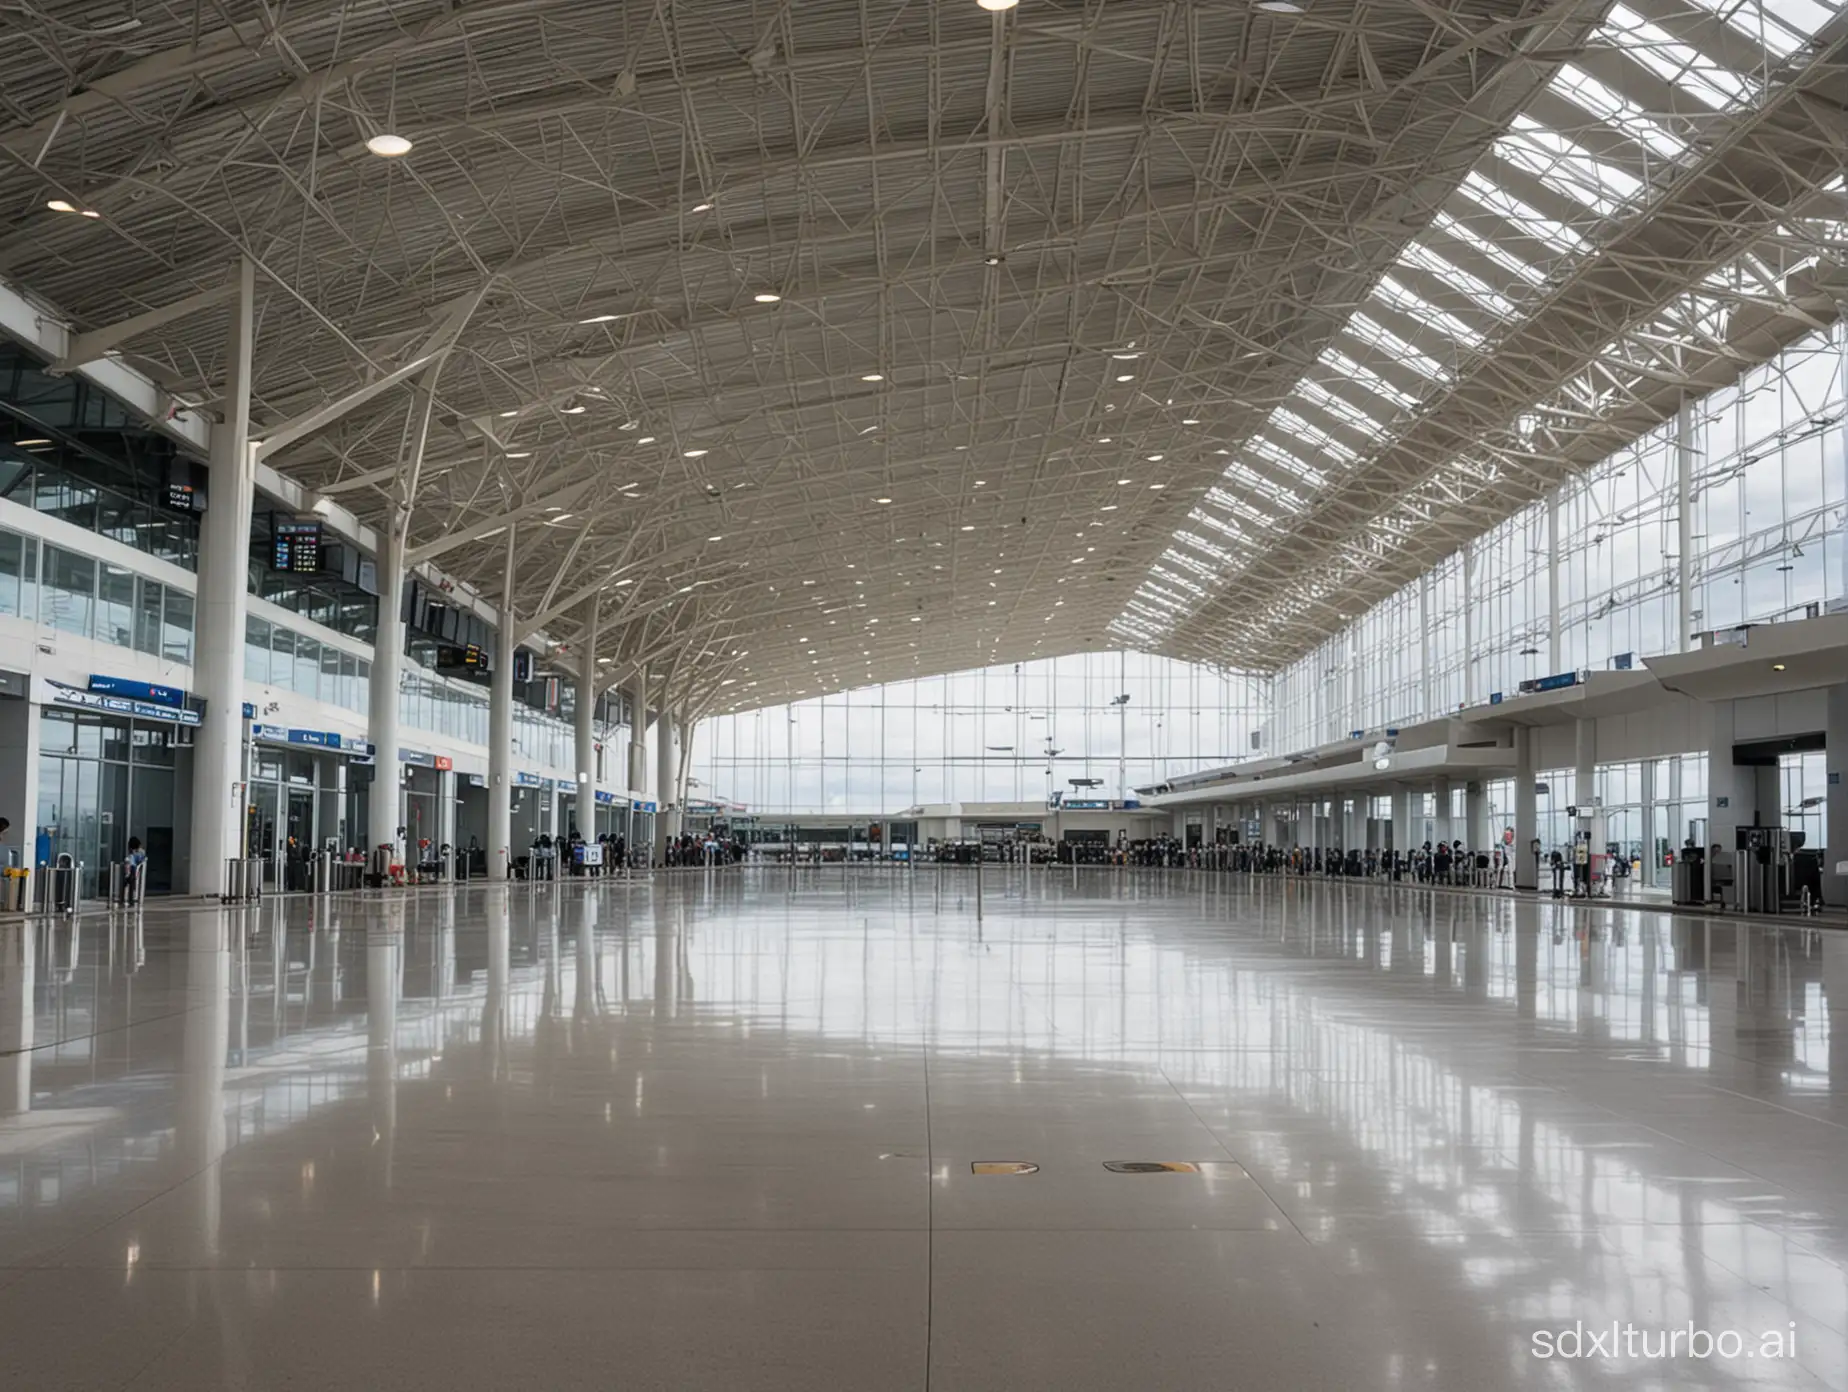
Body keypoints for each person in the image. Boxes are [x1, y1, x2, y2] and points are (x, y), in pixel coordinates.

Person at [124, 835, 148, 906]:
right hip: (134, 869)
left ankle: (131, 899)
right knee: (132, 884)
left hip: (132, 869)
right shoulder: (141, 853)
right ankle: (132, 899)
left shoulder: (132, 856)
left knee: (130, 883)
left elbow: (131, 862)